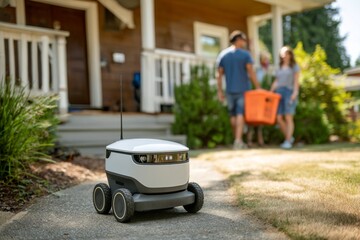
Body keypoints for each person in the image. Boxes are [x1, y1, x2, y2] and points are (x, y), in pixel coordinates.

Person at [217, 30, 261, 149]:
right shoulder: (245, 55)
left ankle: (237, 139)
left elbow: (219, 75)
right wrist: (258, 87)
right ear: (239, 40)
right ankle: (238, 140)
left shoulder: (223, 55)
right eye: (243, 39)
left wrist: (219, 91)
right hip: (243, 90)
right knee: (240, 114)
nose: (244, 42)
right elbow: (251, 72)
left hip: (230, 90)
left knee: (233, 115)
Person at [270, 46, 300, 149]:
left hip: (289, 92)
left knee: (288, 117)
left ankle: (287, 141)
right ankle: (289, 137)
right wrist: (271, 92)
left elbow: (296, 81)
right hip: (279, 93)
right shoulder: (279, 67)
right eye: (282, 53)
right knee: (278, 118)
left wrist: (295, 93)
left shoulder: (294, 67)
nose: (284, 55)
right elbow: (277, 81)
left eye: (286, 53)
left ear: (290, 55)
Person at [246, 52, 271, 147]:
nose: (266, 61)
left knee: (261, 120)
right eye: (264, 59)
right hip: (255, 97)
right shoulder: (257, 70)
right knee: (252, 119)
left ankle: (260, 141)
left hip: (264, 97)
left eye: (267, 59)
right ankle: (249, 140)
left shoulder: (267, 71)